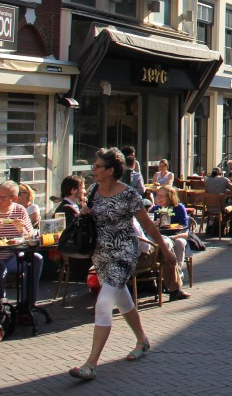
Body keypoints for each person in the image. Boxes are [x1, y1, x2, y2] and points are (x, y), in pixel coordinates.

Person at [69, 147, 180, 381]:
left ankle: (91, 364)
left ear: (110, 170)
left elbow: (148, 225)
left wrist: (164, 249)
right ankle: (142, 340)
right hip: (100, 254)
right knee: (122, 299)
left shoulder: (129, 194)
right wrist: (85, 211)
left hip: (123, 253)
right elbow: (91, 217)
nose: (93, 169)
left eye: (97, 166)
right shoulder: (93, 190)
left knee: (104, 303)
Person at [0, 181, 42, 305]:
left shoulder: (20, 210)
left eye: (2, 197)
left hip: (10, 257)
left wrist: (22, 230)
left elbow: (30, 237)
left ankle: (27, 305)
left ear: (14, 198)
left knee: (36, 259)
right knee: (0, 267)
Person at [149, 186, 190, 278]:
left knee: (179, 242)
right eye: (157, 195)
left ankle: (177, 273)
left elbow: (185, 229)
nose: (158, 198)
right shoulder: (155, 209)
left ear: (170, 197)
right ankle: (157, 272)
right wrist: (154, 224)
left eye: (161, 196)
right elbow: (148, 227)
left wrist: (173, 237)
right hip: (160, 237)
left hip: (177, 235)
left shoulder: (179, 208)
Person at [203, 167, 232, 232]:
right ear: (221, 173)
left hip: (208, 208)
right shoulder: (224, 180)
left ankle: (213, 225)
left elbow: (206, 191)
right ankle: (221, 224)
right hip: (221, 208)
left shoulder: (207, 180)